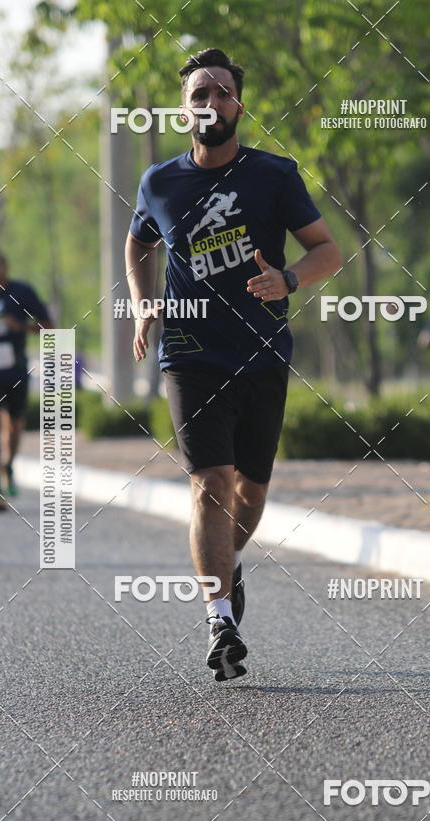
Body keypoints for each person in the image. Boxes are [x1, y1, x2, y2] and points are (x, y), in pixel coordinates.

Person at [126, 47, 342, 682]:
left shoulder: (273, 175)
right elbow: (136, 243)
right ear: (185, 107)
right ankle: (220, 617)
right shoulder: (159, 183)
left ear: (238, 107)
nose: (210, 102)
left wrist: (289, 280)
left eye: (222, 92)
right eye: (200, 92)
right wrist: (143, 307)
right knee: (210, 484)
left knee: (249, 492)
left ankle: (226, 565)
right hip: (190, 354)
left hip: (263, 353)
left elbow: (327, 250)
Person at [0, 249, 53, 511]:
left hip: (16, 371)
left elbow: (48, 326)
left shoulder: (21, 292)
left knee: (15, 426)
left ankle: (8, 466)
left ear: (7, 267)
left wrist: (21, 327)